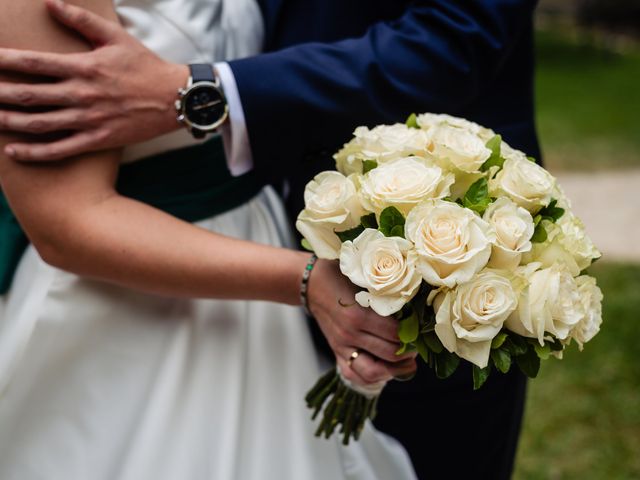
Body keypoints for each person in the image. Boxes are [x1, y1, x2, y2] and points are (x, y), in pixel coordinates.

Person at [0, 1, 541, 478]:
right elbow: (67, 220)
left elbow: (454, 34)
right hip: (127, 310)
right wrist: (305, 281)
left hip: (279, 272)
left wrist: (194, 93)